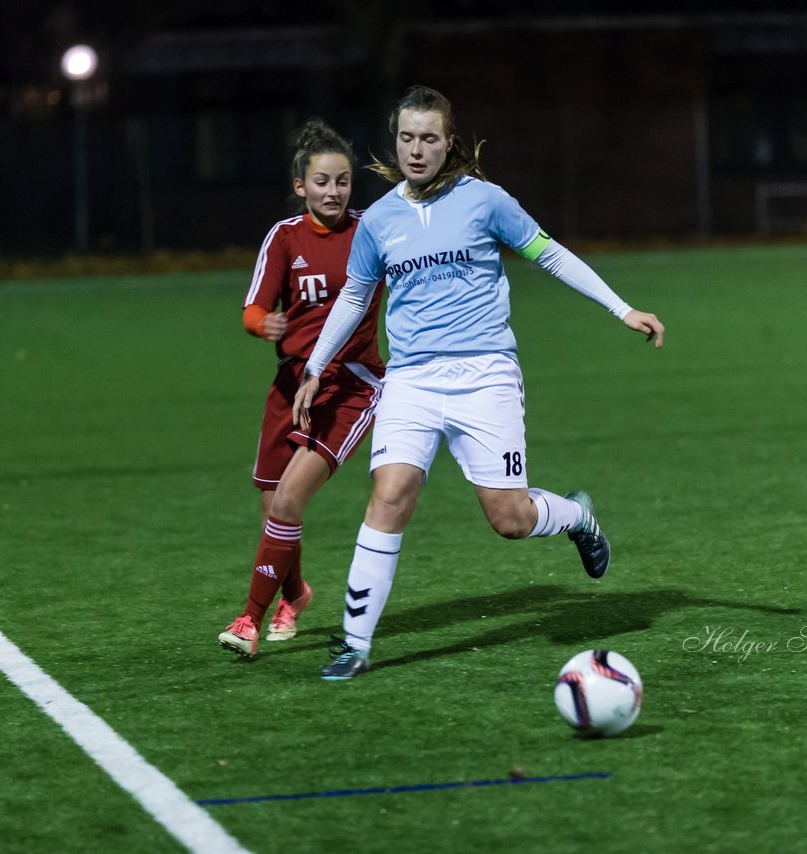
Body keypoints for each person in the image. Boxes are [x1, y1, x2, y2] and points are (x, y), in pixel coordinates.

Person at [292, 86, 664, 680]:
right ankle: (355, 644)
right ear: (396, 141)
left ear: (449, 142)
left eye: (429, 138)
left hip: (485, 374)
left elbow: (551, 254)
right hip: (411, 378)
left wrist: (620, 308)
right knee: (390, 495)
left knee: (509, 518)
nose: (417, 150)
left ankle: (577, 517)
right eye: (407, 138)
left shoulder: (485, 201)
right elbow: (357, 294)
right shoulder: (380, 220)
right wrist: (315, 366)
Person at [218, 119, 385, 658]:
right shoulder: (284, 237)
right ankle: (295, 593)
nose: (333, 191)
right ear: (300, 186)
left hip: (349, 386)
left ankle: (249, 619)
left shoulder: (373, 231)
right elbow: (254, 307)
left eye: (342, 180)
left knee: (288, 501)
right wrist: (260, 323)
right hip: (291, 385)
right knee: (276, 510)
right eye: (322, 182)